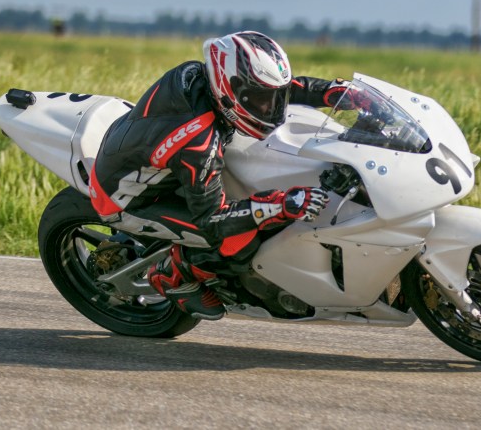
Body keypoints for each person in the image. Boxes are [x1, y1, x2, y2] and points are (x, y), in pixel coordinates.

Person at [88, 31, 356, 321]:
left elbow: (284, 87)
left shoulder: (206, 78)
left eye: (272, 97)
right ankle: (173, 275)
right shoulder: (198, 142)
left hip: (152, 160)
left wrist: (332, 92)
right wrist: (280, 204)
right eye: (260, 99)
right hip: (129, 200)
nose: (270, 107)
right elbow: (212, 219)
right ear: (229, 90)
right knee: (240, 239)